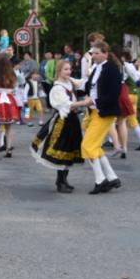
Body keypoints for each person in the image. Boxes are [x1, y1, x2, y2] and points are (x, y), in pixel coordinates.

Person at [30, 60, 86, 192]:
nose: (69, 72)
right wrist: (85, 103)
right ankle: (60, 183)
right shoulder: (57, 88)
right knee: (62, 150)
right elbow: (67, 105)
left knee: (69, 151)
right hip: (62, 121)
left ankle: (64, 180)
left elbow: (83, 82)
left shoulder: (70, 82)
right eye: (65, 69)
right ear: (59, 71)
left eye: (69, 69)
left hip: (72, 120)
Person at [80, 42, 123, 194]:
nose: (93, 56)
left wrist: (94, 102)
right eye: (92, 53)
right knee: (95, 146)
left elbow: (113, 95)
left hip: (104, 112)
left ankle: (100, 180)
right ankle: (112, 178)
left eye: (97, 53)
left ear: (105, 53)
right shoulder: (97, 68)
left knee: (87, 146)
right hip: (93, 112)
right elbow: (89, 87)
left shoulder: (112, 70)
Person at [0, 55, 20, 157]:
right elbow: (15, 86)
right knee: (9, 127)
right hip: (9, 99)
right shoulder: (12, 74)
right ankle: (8, 149)